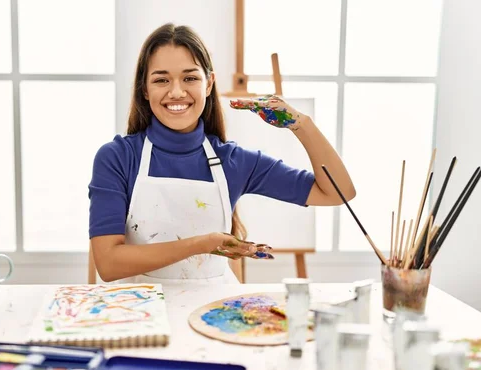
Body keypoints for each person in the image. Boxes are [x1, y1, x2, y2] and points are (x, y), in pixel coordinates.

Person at [88, 23, 356, 284]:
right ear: (145, 89)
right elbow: (109, 264)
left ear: (208, 84)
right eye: (161, 80)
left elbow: (337, 192)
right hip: (141, 315)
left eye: (190, 77)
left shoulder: (234, 162)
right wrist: (202, 244)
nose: (177, 91)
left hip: (214, 313)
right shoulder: (118, 158)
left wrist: (300, 123)